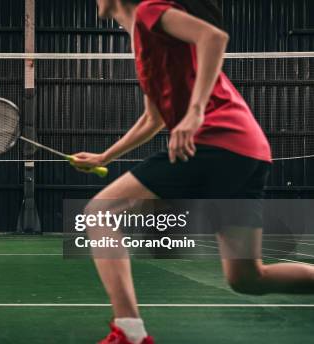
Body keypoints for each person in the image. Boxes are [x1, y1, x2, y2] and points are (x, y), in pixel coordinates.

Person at [72, 1, 314, 343]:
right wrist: (105, 156)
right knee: (247, 278)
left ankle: (129, 331)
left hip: (216, 141)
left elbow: (213, 37)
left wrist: (196, 112)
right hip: (248, 152)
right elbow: (153, 119)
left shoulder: (148, 11)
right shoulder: (141, 42)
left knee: (99, 212)